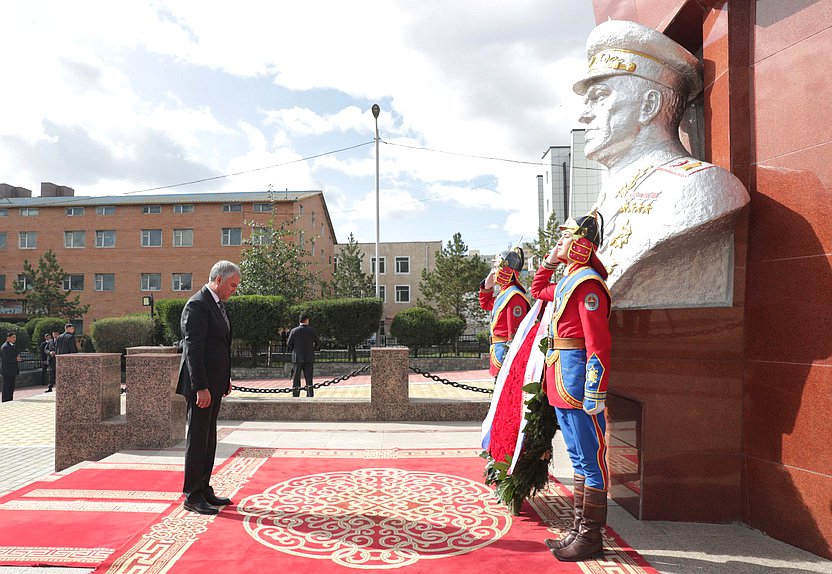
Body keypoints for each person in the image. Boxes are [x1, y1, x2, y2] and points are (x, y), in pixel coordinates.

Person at [575, 20, 749, 308]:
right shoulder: (608, 197)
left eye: (600, 98)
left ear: (649, 105)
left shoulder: (699, 186)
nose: (584, 115)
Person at [531, 212, 611, 562]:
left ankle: (591, 536)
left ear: (581, 244)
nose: (557, 244)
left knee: (591, 459)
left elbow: (599, 344)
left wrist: (595, 391)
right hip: (561, 378)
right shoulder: (568, 280)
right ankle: (580, 529)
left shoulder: (587, 284)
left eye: (564, 239)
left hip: (579, 382)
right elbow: (536, 289)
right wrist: (549, 260)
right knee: (578, 458)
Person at [176, 260, 240, 515]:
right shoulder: (197, 304)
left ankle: (204, 487)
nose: (234, 290)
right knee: (198, 438)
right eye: (232, 285)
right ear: (219, 280)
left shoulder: (218, 305)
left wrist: (224, 379)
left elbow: (220, 346)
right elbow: (194, 348)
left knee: (209, 438)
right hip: (201, 385)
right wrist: (201, 386)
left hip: (214, 384)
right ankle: (192, 494)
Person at [478, 247, 531, 378]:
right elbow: (485, 304)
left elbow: (514, 335)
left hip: (505, 354)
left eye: (496, 267)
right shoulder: (504, 293)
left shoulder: (514, 296)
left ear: (506, 270)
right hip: (498, 350)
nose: (493, 272)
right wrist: (487, 286)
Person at [286, 313, 318, 398]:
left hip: (297, 358)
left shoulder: (294, 331)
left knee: (296, 378)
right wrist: (312, 349)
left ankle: (296, 394)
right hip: (309, 357)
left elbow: (289, 343)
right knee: (309, 378)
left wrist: (295, 349)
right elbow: (318, 343)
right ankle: (310, 394)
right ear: (307, 320)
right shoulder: (312, 330)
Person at [1, 332, 21, 402]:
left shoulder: (12, 346)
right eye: (13, 337)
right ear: (8, 338)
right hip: (7, 371)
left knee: (11, 386)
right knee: (7, 386)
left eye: (15, 337)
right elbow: (6, 359)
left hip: (12, 370)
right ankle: (5, 400)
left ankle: (10, 399)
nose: (15, 339)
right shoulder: (5, 347)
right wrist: (16, 359)